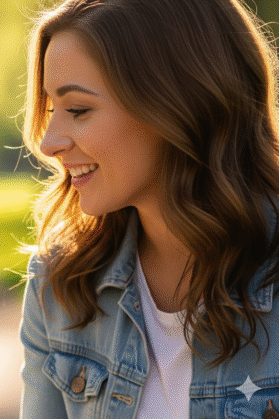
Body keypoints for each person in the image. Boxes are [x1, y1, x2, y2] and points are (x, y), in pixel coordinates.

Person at [18, 0, 279, 418]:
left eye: (78, 110)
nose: (49, 143)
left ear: (178, 104)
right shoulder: (60, 286)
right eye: (52, 109)